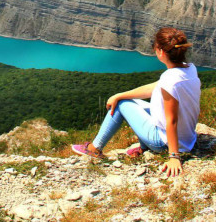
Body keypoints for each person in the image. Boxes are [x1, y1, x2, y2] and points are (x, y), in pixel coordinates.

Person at [72, 27, 201, 177]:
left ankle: (94, 149)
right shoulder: (190, 69)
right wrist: (120, 94)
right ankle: (144, 148)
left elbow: (171, 121)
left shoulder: (170, 80)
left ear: (160, 52)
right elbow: (155, 88)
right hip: (188, 139)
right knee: (126, 101)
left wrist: (174, 157)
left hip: (164, 142)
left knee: (122, 105)